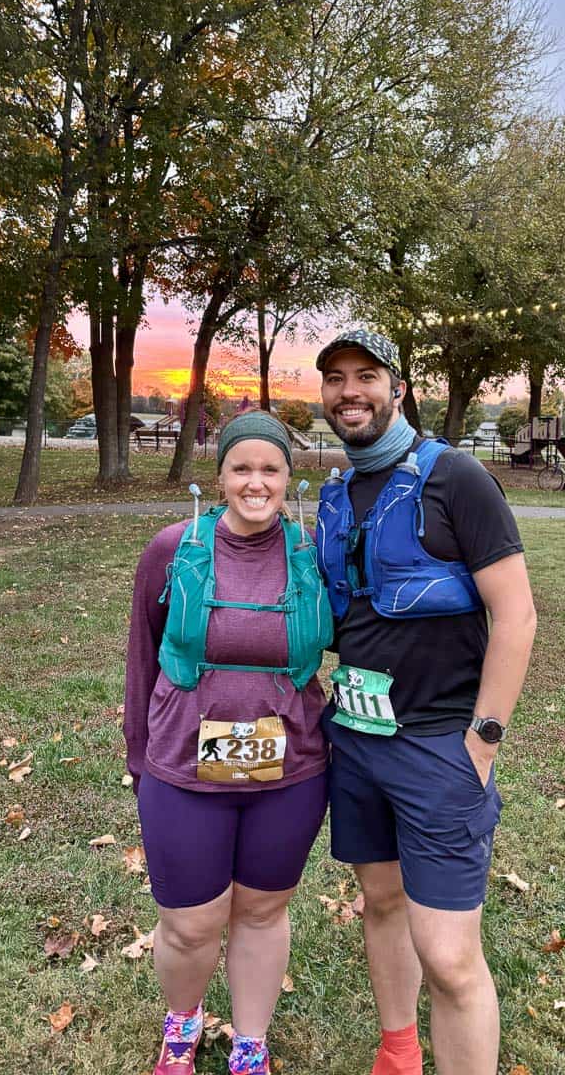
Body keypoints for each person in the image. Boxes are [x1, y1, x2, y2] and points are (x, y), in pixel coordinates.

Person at [315, 329, 537, 1075]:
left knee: (448, 956)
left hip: (441, 745)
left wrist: (483, 741)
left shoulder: (457, 479)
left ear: (398, 389)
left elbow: (517, 614)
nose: (350, 391)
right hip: (354, 735)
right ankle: (400, 1053)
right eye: (336, 378)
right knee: (381, 902)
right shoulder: (335, 494)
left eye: (366, 376)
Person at [124, 411, 333, 1075]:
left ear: (288, 478)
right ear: (219, 477)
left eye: (270, 469)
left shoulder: (311, 553)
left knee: (263, 912)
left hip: (290, 769)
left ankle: (250, 1042)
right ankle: (181, 1026)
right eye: (241, 467)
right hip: (184, 765)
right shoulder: (172, 548)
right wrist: (138, 753)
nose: (255, 482)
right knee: (190, 922)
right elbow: (142, 655)